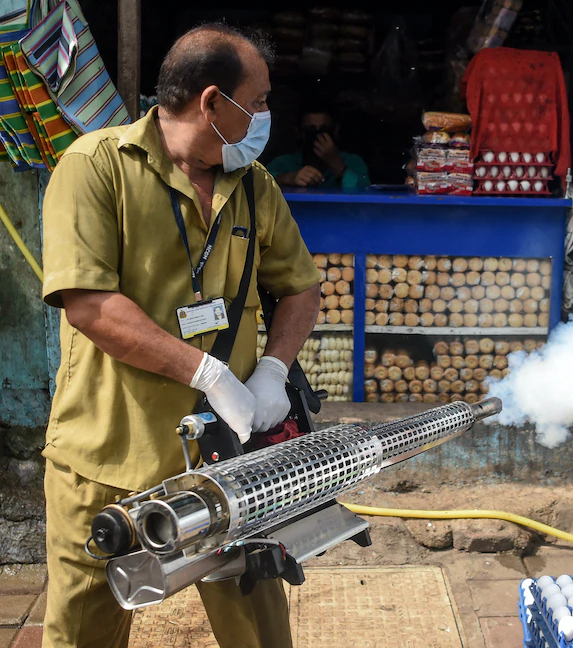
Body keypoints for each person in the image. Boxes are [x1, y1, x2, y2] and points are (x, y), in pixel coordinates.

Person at [39, 24, 321, 648]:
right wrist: (209, 374)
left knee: (259, 630)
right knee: (84, 631)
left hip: (227, 463)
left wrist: (272, 370)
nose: (267, 115)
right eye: (260, 100)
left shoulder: (254, 185)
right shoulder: (94, 167)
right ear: (213, 102)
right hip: (110, 458)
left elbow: (301, 288)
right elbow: (90, 305)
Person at [268, 105, 370, 189]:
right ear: (300, 132)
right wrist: (288, 178)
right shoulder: (283, 163)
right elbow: (260, 182)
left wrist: (337, 164)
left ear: (335, 130)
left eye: (324, 129)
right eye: (311, 130)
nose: (318, 135)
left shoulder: (353, 161)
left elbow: (366, 193)